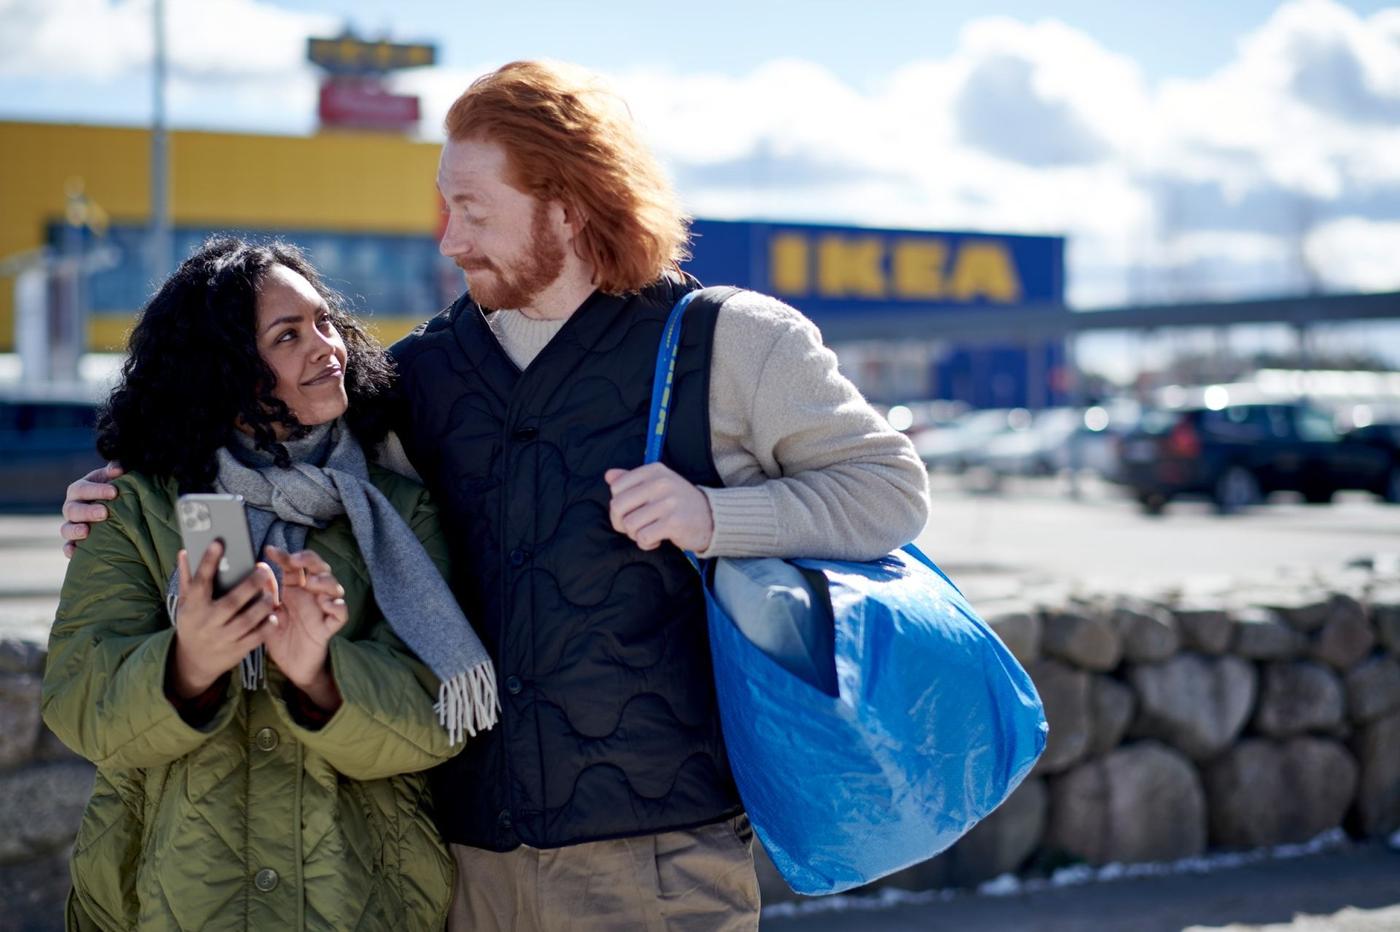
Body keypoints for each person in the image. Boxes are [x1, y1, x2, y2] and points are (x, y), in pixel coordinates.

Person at [62, 61, 930, 931]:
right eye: (445, 207)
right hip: (465, 866)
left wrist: (713, 517)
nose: (449, 238)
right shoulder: (418, 375)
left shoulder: (732, 342)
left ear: (568, 202)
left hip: (659, 866)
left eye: (474, 211)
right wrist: (109, 503)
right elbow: (270, 451)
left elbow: (888, 491)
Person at [45, 238, 495, 932]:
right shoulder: (132, 505)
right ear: (223, 370)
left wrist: (320, 673)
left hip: (360, 901)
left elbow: (438, 720)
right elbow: (78, 701)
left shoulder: (399, 509)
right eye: (289, 335)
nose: (328, 347)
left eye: (324, 322)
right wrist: (189, 663)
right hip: (167, 902)